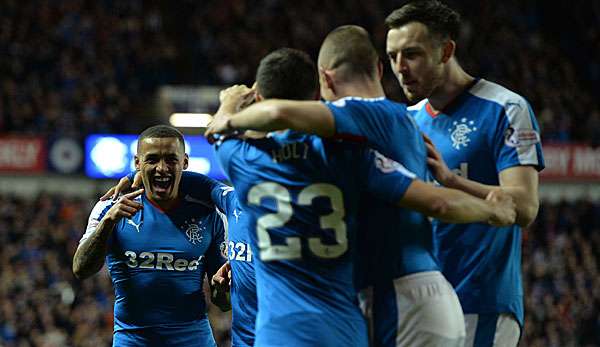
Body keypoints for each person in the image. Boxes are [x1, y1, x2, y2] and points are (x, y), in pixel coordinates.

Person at [209, 46, 516, 346]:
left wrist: (228, 105)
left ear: (258, 100)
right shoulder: (348, 154)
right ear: (317, 96)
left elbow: (217, 132)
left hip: (279, 332)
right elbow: (437, 201)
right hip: (344, 328)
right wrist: (490, 209)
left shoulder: (240, 159)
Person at [384, 1, 545, 346]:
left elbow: (525, 207)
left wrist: (452, 181)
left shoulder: (505, 108)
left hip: (480, 303)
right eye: (392, 56)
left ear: (446, 51)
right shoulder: (407, 121)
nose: (400, 68)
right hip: (420, 304)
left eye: (411, 54)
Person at [73, 125, 229, 347]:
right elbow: (81, 269)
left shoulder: (209, 214)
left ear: (184, 162)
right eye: (153, 159)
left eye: (171, 160)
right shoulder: (109, 208)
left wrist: (223, 291)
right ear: (137, 163)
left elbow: (223, 302)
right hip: (133, 340)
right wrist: (107, 224)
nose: (162, 168)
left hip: (194, 340)